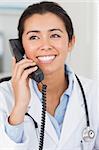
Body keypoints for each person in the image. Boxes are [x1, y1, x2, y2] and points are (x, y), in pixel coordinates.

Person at [0, 1, 99, 150]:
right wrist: (20, 106)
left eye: (55, 35)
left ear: (71, 42)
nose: (45, 45)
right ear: (20, 47)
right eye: (34, 37)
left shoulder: (93, 93)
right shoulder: (3, 96)